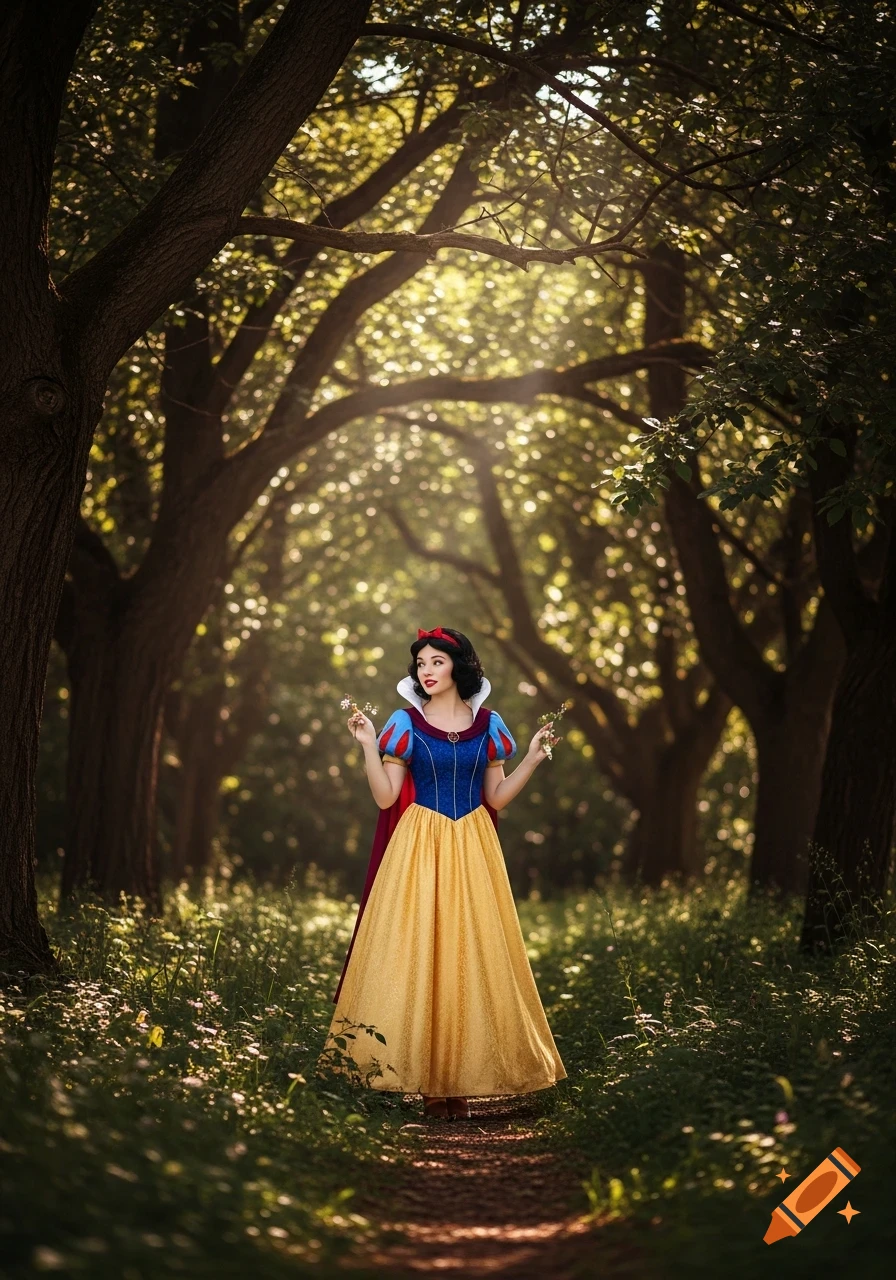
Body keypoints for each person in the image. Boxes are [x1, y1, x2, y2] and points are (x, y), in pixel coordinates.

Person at [319, 626, 567, 1120]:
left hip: (473, 844)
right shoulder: (404, 722)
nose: (427, 671)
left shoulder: (490, 725)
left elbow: (496, 798)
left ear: (459, 665)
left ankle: (459, 1080)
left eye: (437, 661)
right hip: (419, 843)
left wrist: (533, 758)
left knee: (469, 954)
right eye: (421, 664)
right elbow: (386, 798)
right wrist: (367, 745)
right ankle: (431, 1083)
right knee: (420, 952)